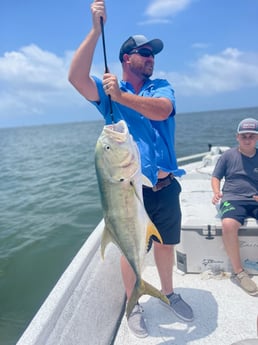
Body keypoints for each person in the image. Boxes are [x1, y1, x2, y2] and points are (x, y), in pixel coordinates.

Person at [68, 0, 193, 338]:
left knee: (166, 245)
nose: (151, 57)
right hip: (129, 191)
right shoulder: (108, 93)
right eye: (144, 52)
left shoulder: (159, 87)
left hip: (165, 188)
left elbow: (163, 110)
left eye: (153, 53)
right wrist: (96, 31)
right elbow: (76, 77)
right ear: (126, 58)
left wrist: (122, 98)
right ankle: (133, 301)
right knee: (131, 246)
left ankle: (168, 293)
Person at [211, 118, 258, 296]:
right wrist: (216, 192)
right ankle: (239, 272)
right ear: (237, 137)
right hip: (233, 198)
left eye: (252, 136)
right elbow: (216, 177)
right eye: (244, 136)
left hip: (255, 198)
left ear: (257, 138)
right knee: (228, 224)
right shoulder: (227, 156)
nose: (247, 139)